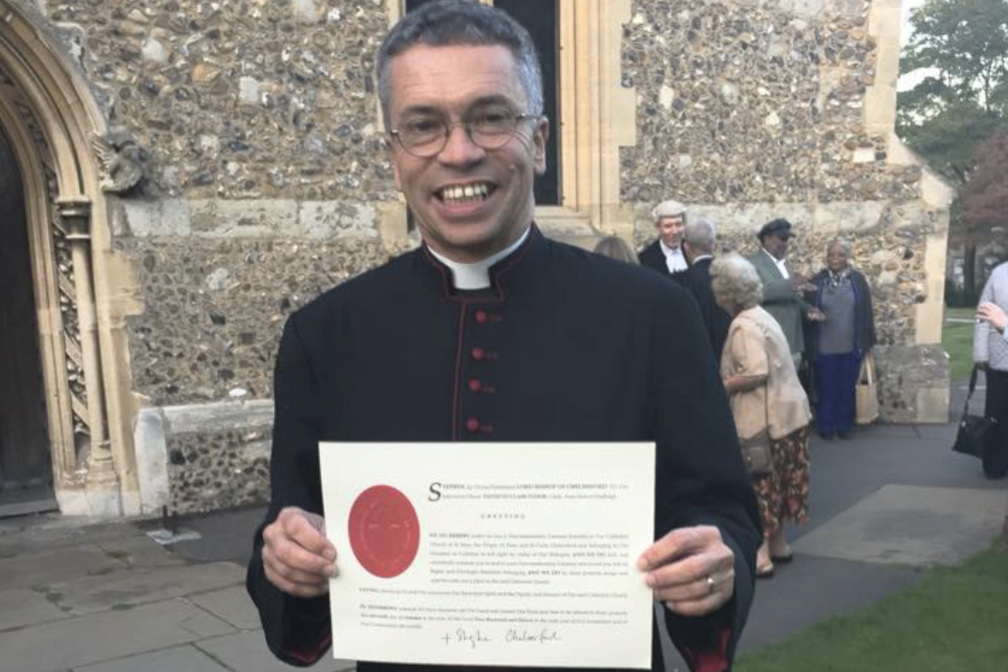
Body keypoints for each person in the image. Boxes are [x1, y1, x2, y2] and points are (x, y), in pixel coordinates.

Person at [245, 3, 761, 672]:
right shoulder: (325, 335)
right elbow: (293, 524)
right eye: (424, 126)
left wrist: (713, 566)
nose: (459, 153)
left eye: (491, 117)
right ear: (395, 153)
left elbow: (721, 509)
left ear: (540, 140)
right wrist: (286, 559)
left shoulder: (653, 316)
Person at [711, 255, 812, 579]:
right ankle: (780, 544)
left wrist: (722, 386)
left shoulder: (743, 326)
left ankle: (761, 555)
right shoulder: (762, 315)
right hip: (790, 416)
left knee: (760, 487)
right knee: (780, 482)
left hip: (764, 423)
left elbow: (755, 371)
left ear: (725, 292)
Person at [807, 239, 876, 439]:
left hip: (851, 345)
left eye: (840, 255)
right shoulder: (817, 280)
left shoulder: (857, 280)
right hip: (824, 346)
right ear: (827, 257)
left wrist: (866, 341)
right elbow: (806, 309)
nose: (835, 259)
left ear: (848, 257)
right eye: (832, 255)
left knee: (846, 389)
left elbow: (866, 313)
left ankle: (844, 426)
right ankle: (826, 426)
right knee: (826, 389)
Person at [746, 219, 823, 374]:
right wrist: (790, 284)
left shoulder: (785, 264)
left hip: (792, 342)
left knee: (789, 394)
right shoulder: (751, 263)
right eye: (782, 238)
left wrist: (807, 310)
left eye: (787, 239)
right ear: (766, 238)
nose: (785, 243)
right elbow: (752, 294)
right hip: (769, 342)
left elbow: (792, 297)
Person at [975, 262, 1008, 479]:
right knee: (997, 415)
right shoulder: (999, 273)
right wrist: (980, 353)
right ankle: (995, 463)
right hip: (1000, 360)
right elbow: (982, 315)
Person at [681, 218, 732, 360]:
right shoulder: (731, 275)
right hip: (733, 357)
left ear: (686, 246)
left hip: (701, 358)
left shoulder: (685, 280)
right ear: (714, 244)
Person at [638, 199, 689, 283]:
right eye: (668, 226)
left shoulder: (694, 251)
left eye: (678, 224)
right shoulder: (645, 260)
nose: (674, 231)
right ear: (658, 227)